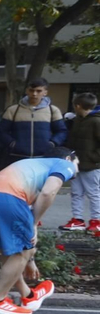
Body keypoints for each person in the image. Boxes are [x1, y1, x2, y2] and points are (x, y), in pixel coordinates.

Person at [0, 152, 79, 314]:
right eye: (77, 162)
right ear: (68, 158)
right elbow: (48, 193)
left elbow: (25, 234)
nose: (78, 168)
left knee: (9, 252)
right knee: (21, 253)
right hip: (8, 198)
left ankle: (28, 296)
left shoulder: (33, 166)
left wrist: (30, 261)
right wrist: (34, 224)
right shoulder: (65, 164)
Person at [0, 76, 67, 170]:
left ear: (45, 92)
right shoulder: (13, 110)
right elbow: (1, 131)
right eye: (31, 90)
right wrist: (12, 144)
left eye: (39, 91)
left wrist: (52, 143)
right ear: (27, 91)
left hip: (44, 157)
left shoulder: (53, 110)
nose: (34, 94)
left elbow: (61, 131)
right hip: (17, 157)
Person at [62, 93, 100, 236]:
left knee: (93, 192)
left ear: (77, 106)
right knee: (76, 192)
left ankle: (96, 220)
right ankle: (77, 219)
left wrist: (94, 157)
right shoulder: (77, 120)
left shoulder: (96, 122)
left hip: (91, 164)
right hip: (76, 162)